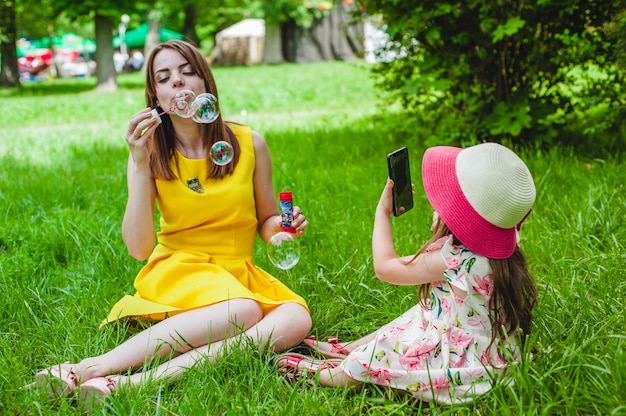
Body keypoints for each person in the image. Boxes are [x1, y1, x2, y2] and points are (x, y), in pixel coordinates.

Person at [32, 39, 312, 408]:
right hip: (179, 268)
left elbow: (266, 218)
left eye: (187, 71)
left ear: (205, 82)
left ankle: (133, 384)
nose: (177, 83)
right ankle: (85, 368)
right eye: (164, 78)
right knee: (244, 310)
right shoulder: (152, 152)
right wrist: (138, 163)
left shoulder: (249, 143)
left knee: (296, 319)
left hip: (234, 272)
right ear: (156, 97)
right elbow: (138, 248)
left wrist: (281, 229)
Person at [276, 143, 538, 404]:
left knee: (389, 348)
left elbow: (385, 267)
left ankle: (335, 376)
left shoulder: (455, 260)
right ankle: (351, 349)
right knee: (420, 314)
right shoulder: (505, 246)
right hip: (495, 345)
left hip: (459, 359)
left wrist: (382, 212)